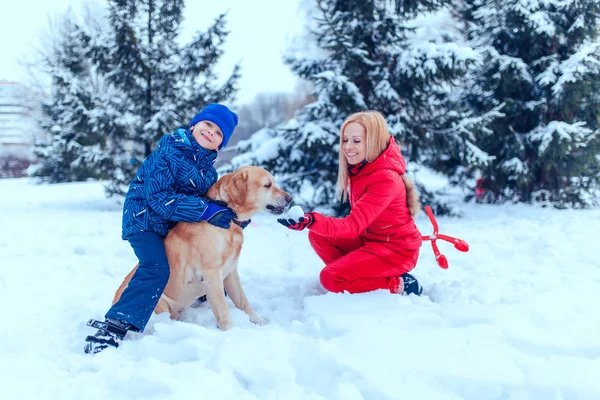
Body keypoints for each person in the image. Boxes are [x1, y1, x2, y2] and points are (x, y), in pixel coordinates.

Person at [84, 103, 239, 354]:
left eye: (219, 133)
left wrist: (231, 214)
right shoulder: (169, 152)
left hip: (171, 226)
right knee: (155, 266)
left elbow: (210, 201)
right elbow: (158, 198)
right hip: (144, 220)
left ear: (219, 145)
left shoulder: (208, 173)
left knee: (187, 256)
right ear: (194, 125)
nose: (211, 132)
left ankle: (196, 289)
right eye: (208, 125)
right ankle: (116, 324)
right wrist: (204, 210)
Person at [278, 110, 423, 296]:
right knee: (319, 236)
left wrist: (312, 220)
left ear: (373, 141)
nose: (347, 147)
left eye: (356, 140)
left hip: (395, 250)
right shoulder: (362, 168)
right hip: (371, 239)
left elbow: (354, 225)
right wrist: (308, 222)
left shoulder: (384, 178)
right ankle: (357, 275)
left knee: (330, 279)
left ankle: (400, 284)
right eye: (345, 140)